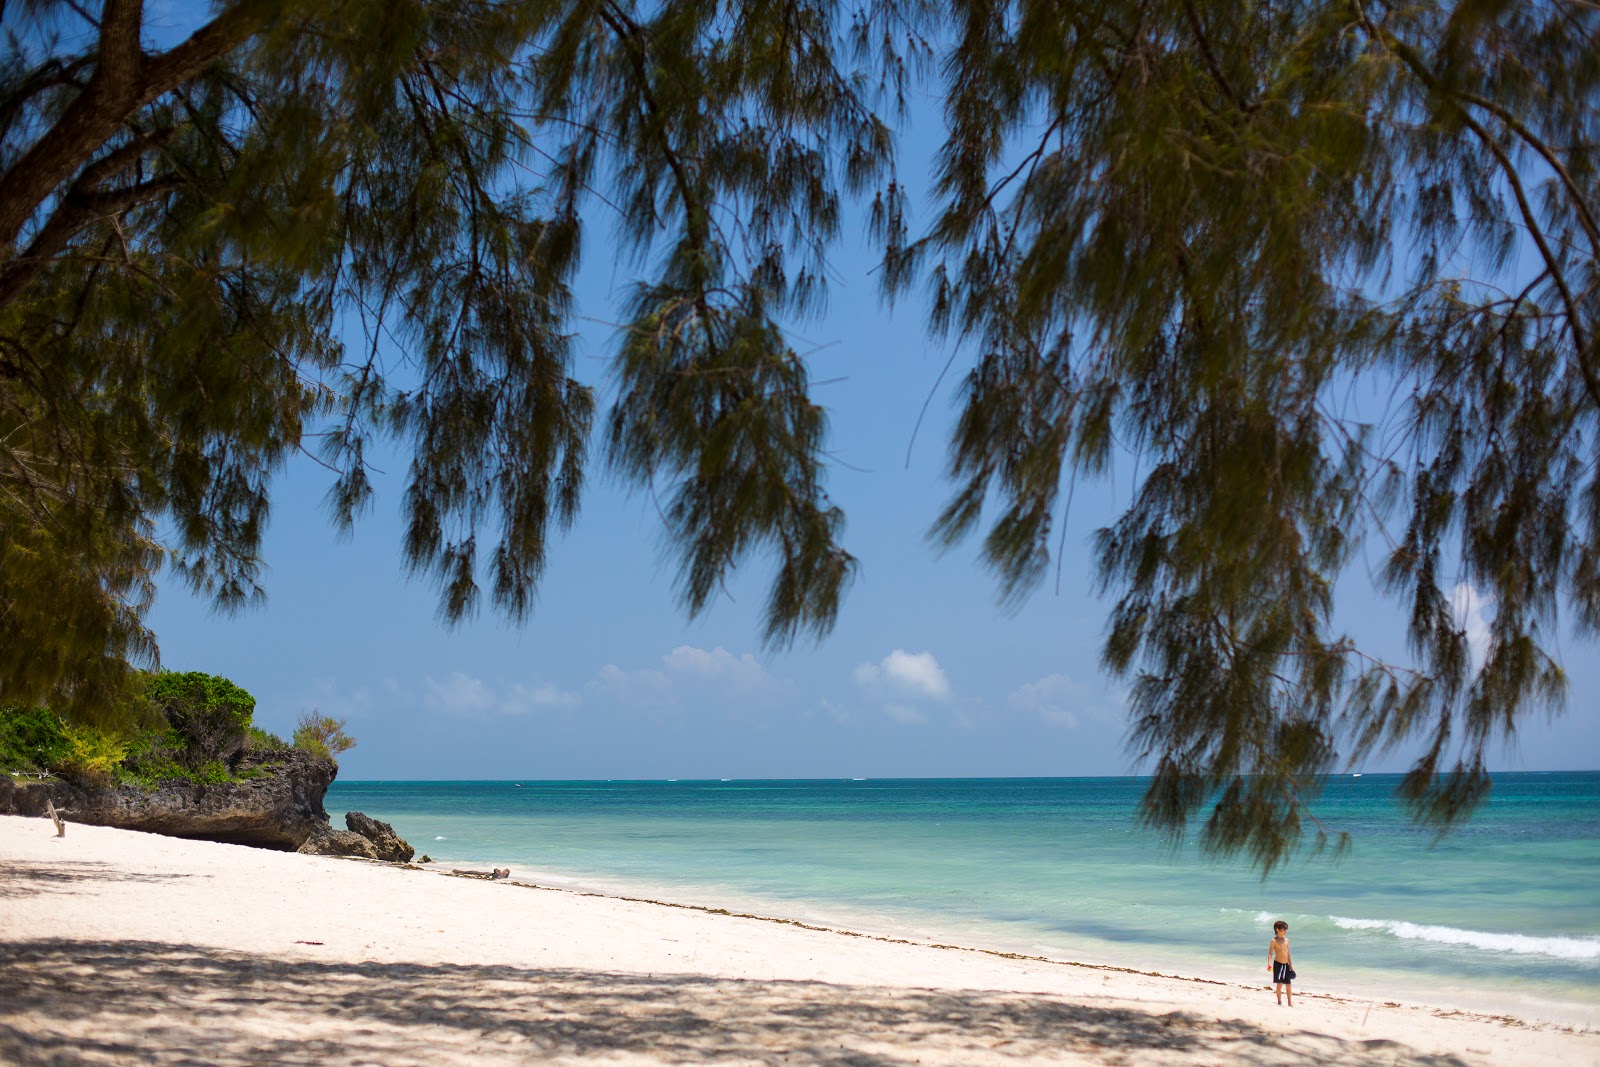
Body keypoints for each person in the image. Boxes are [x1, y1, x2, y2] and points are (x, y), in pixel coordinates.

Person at [1267, 920, 1294, 1006]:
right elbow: (1270, 953)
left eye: (1286, 929)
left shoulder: (1287, 940)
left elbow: (1288, 953)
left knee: (1288, 984)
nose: (1285, 931)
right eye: (1283, 929)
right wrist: (1269, 964)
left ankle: (1290, 1002)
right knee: (1279, 984)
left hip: (1286, 965)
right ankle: (1279, 1001)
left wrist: (1291, 966)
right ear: (1277, 930)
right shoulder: (1274, 941)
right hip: (1278, 964)